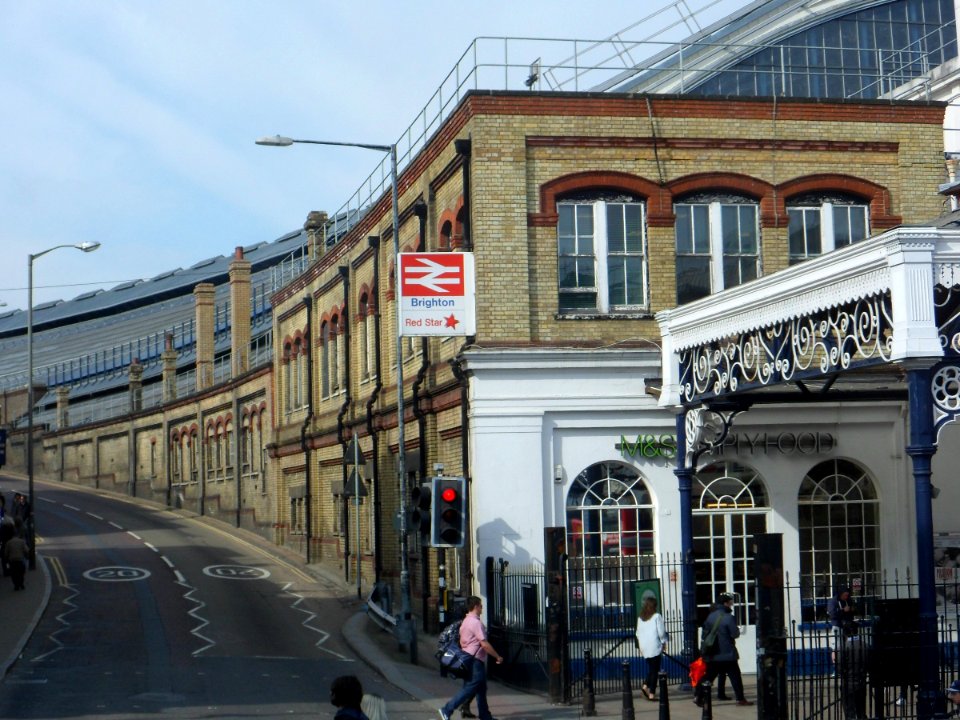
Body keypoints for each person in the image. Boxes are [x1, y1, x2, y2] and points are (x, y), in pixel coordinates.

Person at [439, 596, 504, 720]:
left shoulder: (466, 621)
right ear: (475, 607)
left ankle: (485, 716)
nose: (482, 608)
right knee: (470, 688)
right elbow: (484, 644)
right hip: (475, 661)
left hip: (468, 659)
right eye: (480, 605)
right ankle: (447, 710)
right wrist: (497, 656)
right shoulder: (476, 623)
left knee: (481, 689)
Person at [693, 592, 753, 707]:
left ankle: (698, 696)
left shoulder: (711, 616)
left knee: (708, 676)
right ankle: (740, 699)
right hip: (727, 653)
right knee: (735, 677)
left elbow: (704, 634)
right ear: (725, 603)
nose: (731, 605)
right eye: (730, 603)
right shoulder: (729, 618)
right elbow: (735, 634)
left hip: (713, 653)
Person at [634, 594, 668, 701]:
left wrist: (640, 646)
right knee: (655, 670)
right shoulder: (657, 616)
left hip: (644, 646)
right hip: (654, 646)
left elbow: (638, 633)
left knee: (652, 668)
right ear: (654, 606)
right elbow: (661, 633)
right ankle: (652, 693)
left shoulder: (640, 618)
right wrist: (664, 642)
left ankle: (645, 686)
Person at [836, 623, 869, 720]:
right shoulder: (865, 645)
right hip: (861, 682)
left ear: (845, 633)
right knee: (861, 711)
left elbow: (839, 668)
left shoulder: (843, 647)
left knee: (850, 713)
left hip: (848, 684)